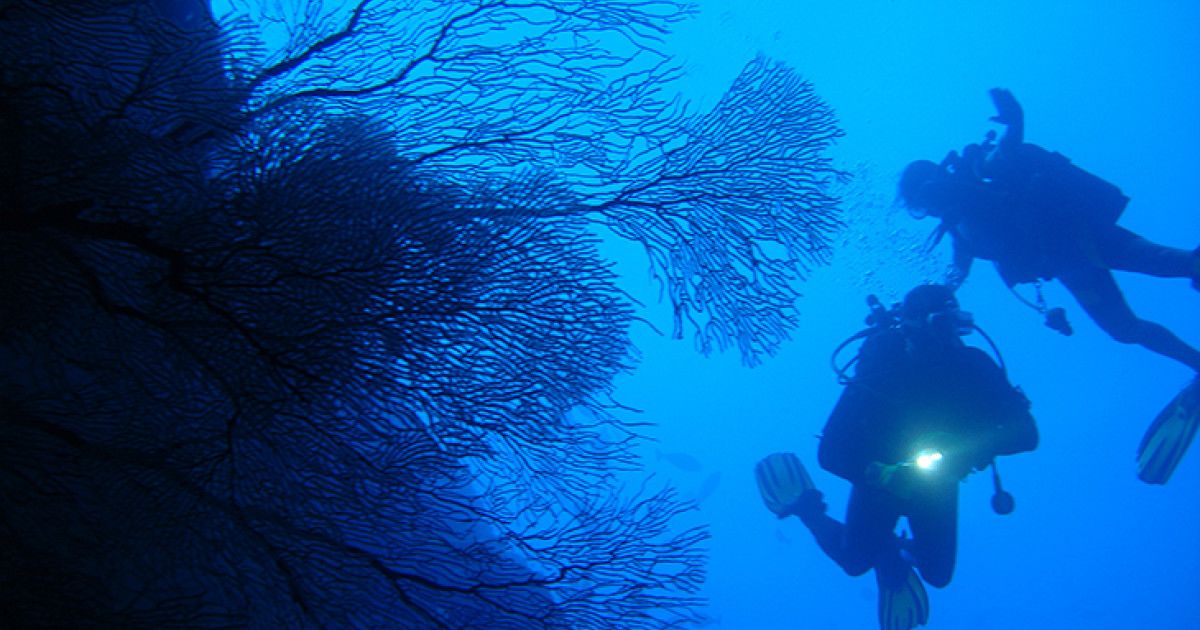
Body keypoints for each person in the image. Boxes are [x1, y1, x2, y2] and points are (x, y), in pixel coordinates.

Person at [755, 284, 1038, 630]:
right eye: (940, 323)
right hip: (881, 480)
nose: (948, 335)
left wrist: (961, 453)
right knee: (854, 561)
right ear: (914, 325)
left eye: (955, 324)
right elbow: (830, 452)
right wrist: (884, 475)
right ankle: (808, 508)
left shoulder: (974, 366)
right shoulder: (881, 368)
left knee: (938, 575)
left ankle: (894, 551)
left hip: (939, 481)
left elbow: (1027, 433)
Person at [898, 88, 1200, 374]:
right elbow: (955, 276)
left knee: (1168, 262)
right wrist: (926, 304)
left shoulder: (972, 173)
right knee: (1125, 328)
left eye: (924, 198)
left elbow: (1004, 152)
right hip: (1067, 264)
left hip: (1078, 235)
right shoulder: (959, 233)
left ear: (936, 178)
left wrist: (1016, 119)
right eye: (921, 208)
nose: (930, 208)